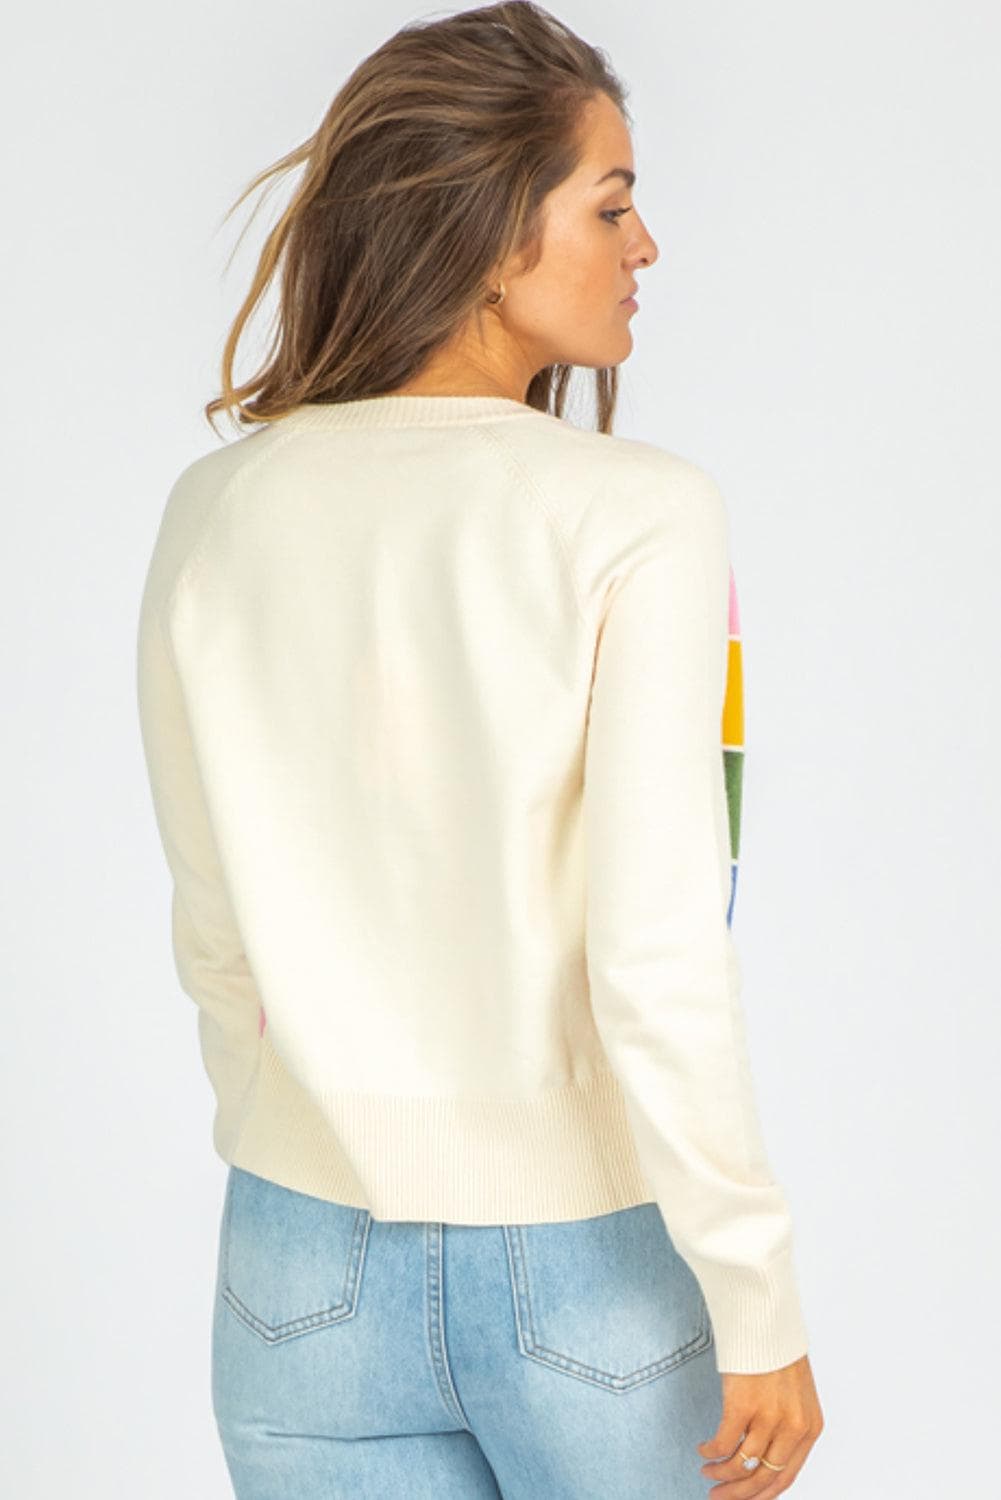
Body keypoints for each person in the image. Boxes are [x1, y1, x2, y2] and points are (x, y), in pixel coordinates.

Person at [135, 3, 824, 1495]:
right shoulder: (638, 512)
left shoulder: (216, 510)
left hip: (292, 1263)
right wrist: (754, 1289)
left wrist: (312, 1135)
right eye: (612, 205)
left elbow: (212, 931)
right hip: (584, 1267)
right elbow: (655, 951)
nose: (645, 248)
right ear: (497, 232)